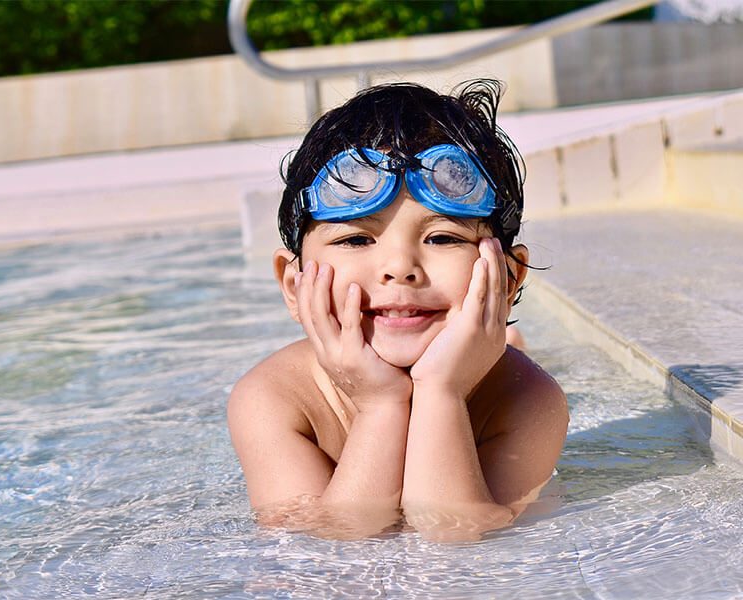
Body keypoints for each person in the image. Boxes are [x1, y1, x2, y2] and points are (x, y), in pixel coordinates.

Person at [228, 80, 568, 541]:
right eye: (355, 239)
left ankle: (507, 340)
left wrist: (442, 391)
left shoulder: (528, 398)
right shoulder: (275, 399)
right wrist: (380, 405)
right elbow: (328, 546)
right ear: (294, 284)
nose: (399, 268)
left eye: (443, 237)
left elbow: (455, 535)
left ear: (508, 278)